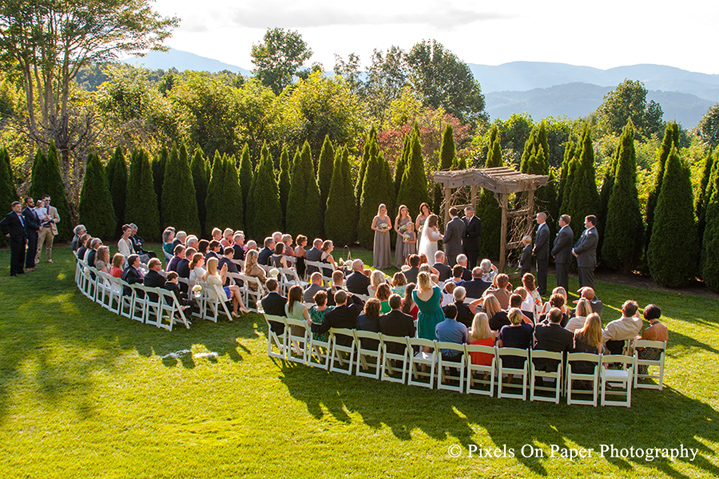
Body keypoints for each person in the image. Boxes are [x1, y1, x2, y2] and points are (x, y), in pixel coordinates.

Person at [533, 307, 574, 372]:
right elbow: (570, 349)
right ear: (561, 318)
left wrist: (546, 320)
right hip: (557, 365)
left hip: (540, 362)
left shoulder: (539, 329)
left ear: (548, 317)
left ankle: (538, 381)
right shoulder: (567, 334)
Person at [413, 272, 445, 345]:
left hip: (423, 318)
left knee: (425, 343)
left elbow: (415, 288)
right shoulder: (436, 291)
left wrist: (419, 283)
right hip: (437, 316)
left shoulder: (415, 293)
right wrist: (430, 280)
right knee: (438, 342)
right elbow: (437, 286)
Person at [636, 304, 668, 374]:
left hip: (647, 356)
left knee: (634, 349)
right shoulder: (665, 329)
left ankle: (638, 371)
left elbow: (640, 348)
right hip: (658, 355)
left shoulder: (648, 331)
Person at [0, 201, 28, 276]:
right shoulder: (10, 216)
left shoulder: (21, 215)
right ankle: (13, 272)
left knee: (22, 254)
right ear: (13, 208)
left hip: (22, 237)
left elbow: (23, 227)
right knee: (15, 255)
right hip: (15, 238)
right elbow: (2, 224)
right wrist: (6, 233)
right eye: (18, 207)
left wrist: (25, 237)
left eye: (20, 207)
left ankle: (20, 269)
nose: (19, 208)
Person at [573, 215, 599, 289]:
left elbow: (585, 246)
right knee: (582, 281)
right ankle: (582, 297)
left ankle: (589, 298)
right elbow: (579, 242)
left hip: (587, 261)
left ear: (590, 222)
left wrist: (575, 251)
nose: (584, 223)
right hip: (582, 260)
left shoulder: (593, 234)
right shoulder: (585, 231)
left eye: (586, 221)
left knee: (587, 282)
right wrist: (574, 249)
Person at [552, 214, 573, 293]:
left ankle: (562, 293)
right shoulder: (566, 230)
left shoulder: (565, 231)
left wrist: (553, 252)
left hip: (562, 258)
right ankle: (562, 292)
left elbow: (559, 244)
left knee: (562, 277)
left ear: (564, 221)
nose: (559, 222)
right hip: (562, 257)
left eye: (560, 220)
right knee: (562, 276)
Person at [35, 195, 59, 264]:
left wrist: (51, 220)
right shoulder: (38, 209)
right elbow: (35, 219)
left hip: (50, 228)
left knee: (49, 245)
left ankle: (48, 258)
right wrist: (42, 220)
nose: (48, 202)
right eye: (46, 200)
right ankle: (37, 259)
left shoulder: (53, 209)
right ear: (43, 200)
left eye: (49, 200)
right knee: (39, 245)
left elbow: (57, 219)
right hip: (42, 228)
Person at [533, 212, 550, 295]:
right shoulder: (541, 227)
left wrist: (534, 251)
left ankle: (542, 289)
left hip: (542, 254)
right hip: (540, 253)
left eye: (537, 217)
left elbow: (540, 242)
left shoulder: (544, 229)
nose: (536, 219)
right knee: (539, 271)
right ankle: (540, 286)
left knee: (542, 272)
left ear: (542, 218)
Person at [21, 198, 41, 270]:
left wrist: (38, 226)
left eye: (32, 202)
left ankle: (32, 263)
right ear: (26, 204)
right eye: (30, 202)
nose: (32, 203)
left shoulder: (34, 210)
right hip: (29, 232)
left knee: (35, 248)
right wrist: (37, 227)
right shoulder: (25, 212)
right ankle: (28, 265)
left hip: (35, 231)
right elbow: (28, 223)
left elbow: (38, 220)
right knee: (31, 248)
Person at [372, 203, 392, 269]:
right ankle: (378, 263)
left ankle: (386, 264)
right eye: (382, 210)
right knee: (379, 247)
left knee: (385, 247)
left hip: (386, 234)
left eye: (384, 210)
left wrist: (386, 229)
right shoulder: (376, 218)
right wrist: (380, 230)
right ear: (379, 210)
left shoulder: (387, 217)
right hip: (379, 234)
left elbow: (390, 226)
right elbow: (372, 227)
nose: (383, 211)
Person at [394, 204, 411, 269]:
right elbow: (395, 228)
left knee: (406, 249)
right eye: (402, 210)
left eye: (405, 210)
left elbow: (411, 226)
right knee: (400, 248)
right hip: (400, 234)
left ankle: (407, 263)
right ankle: (399, 264)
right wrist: (401, 234)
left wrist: (408, 233)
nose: (404, 212)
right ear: (400, 211)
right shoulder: (398, 218)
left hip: (407, 234)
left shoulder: (408, 217)